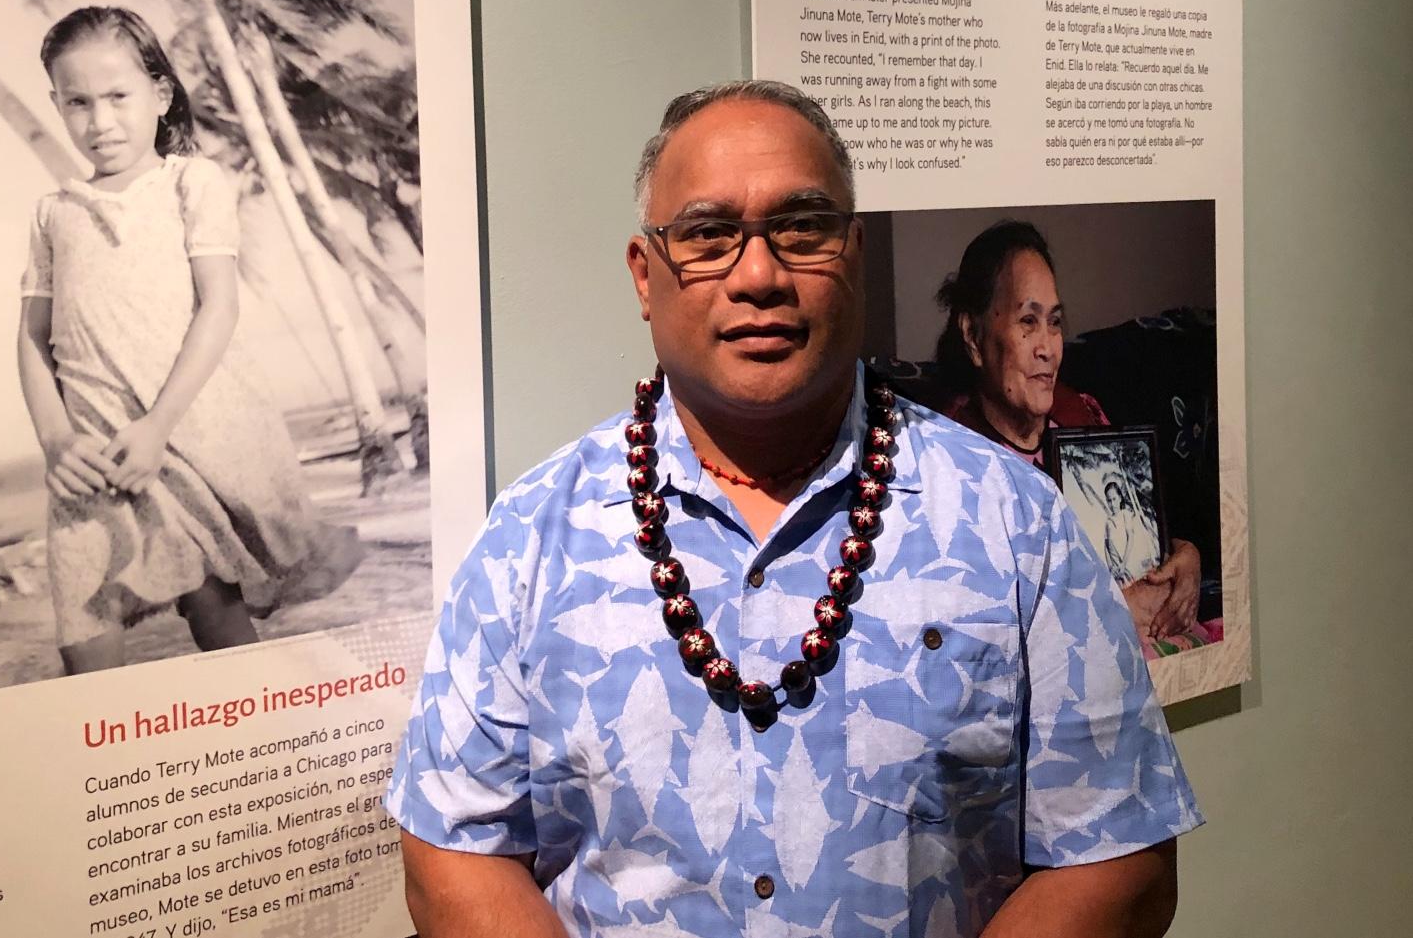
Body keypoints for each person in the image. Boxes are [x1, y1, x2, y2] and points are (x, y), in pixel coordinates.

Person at [386, 80, 1201, 937]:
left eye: (801, 227)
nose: (759, 274)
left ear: (851, 249)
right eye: (706, 235)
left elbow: (1120, 856)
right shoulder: (532, 537)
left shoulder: (1014, 523)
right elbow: (452, 848)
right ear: (644, 274)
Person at [17, 7, 359, 675]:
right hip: (90, 454)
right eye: (78, 102)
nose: (101, 120)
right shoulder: (52, 212)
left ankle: (254, 758)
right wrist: (56, 440)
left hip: (178, 438)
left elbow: (218, 306)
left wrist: (156, 426)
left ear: (160, 93)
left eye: (119, 96)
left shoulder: (189, 182)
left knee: (216, 612)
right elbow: (31, 339)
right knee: (84, 633)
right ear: (56, 104)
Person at [931, 220, 1203, 647]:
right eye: (1027, 321)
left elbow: (1140, 542)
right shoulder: (955, 464)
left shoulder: (1082, 418)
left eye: (1054, 323)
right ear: (972, 336)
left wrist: (1186, 558)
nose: (1047, 347)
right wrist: (1105, 611)